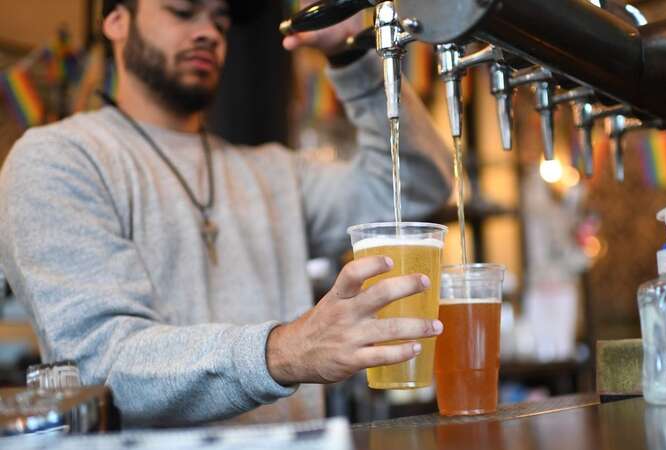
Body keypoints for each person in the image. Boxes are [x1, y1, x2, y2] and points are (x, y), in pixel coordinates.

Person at [0, 0, 452, 427]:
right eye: (182, 11)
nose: (207, 33)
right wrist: (284, 351)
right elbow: (100, 364)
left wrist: (352, 58)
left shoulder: (272, 173)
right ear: (117, 20)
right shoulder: (57, 159)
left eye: (219, 21)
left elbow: (417, 187)